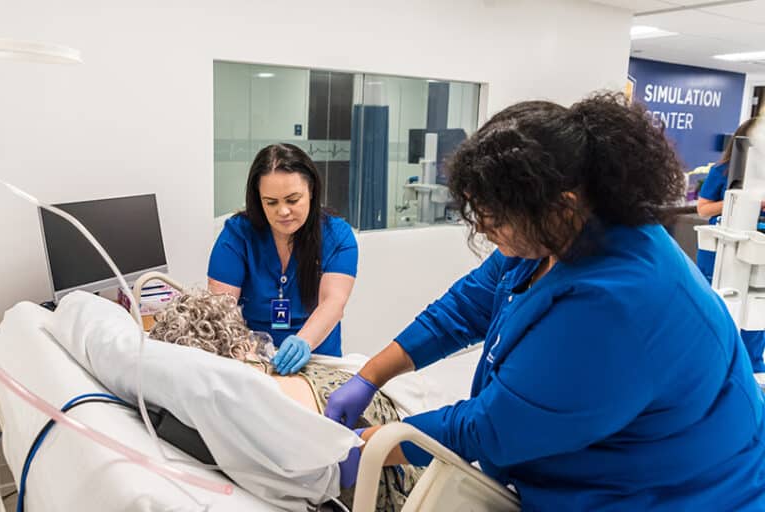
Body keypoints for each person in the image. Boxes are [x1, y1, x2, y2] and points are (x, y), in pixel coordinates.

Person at [325, 93, 765, 510]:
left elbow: (492, 427)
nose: (484, 232)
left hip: (678, 494)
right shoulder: (552, 239)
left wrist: (366, 446)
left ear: (563, 205)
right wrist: (369, 376)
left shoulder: (619, 304)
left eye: (494, 220)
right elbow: (463, 309)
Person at [150, 289, 424, 511]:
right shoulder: (262, 406)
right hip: (404, 470)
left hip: (397, 441)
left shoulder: (231, 407)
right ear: (241, 344)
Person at [208, 144, 358, 375]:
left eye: (292, 199)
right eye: (271, 202)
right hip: (251, 359)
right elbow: (221, 311)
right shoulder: (237, 235)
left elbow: (333, 303)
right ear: (259, 200)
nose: (283, 211)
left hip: (318, 359)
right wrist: (251, 358)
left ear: (311, 191)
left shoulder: (337, 235)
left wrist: (303, 342)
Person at [696, 117, 765, 374]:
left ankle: (751, 365)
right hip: (721, 250)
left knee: (755, 310)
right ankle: (714, 365)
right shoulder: (722, 171)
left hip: (756, 251)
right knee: (719, 308)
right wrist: (741, 203)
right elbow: (703, 208)